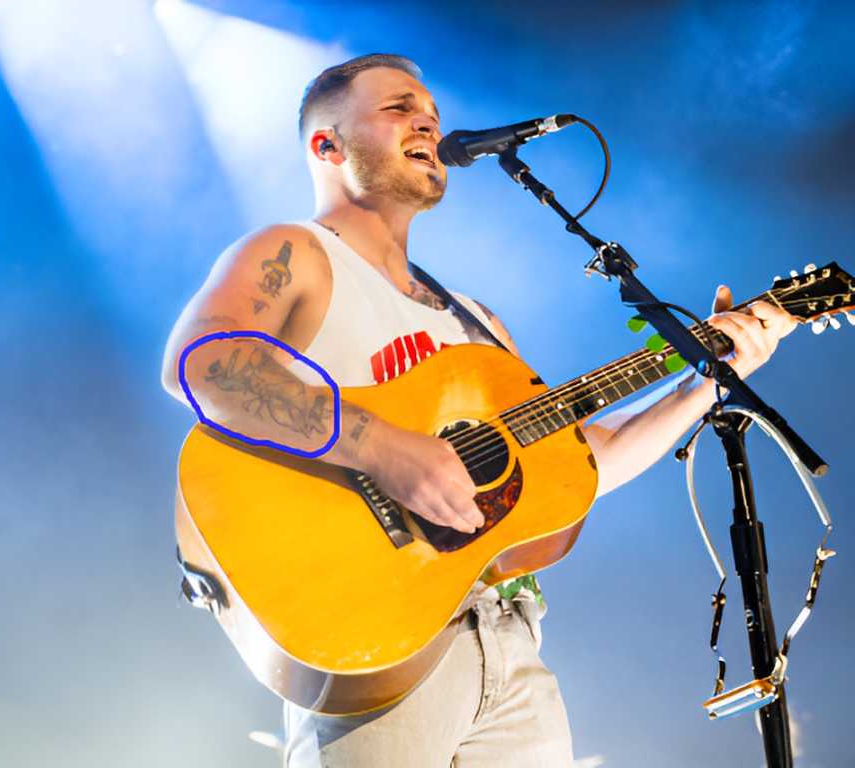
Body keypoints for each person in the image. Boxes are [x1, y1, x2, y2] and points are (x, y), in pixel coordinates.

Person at [160, 54, 796, 768]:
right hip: (381, 643)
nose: (428, 122)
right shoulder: (297, 254)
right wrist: (384, 449)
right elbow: (201, 364)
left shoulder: (477, 321)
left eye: (431, 112)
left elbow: (581, 462)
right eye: (399, 108)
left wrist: (704, 383)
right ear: (327, 145)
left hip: (513, 643)